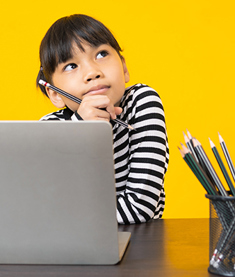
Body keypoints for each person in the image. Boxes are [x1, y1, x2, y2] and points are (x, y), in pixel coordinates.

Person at [36, 14, 169, 224]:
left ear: (124, 69)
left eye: (101, 54)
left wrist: (73, 218)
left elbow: (139, 208)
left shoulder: (141, 102)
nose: (92, 72)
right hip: (75, 247)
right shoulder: (50, 130)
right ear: (55, 94)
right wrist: (81, 134)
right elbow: (47, 207)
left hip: (141, 242)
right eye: (71, 66)